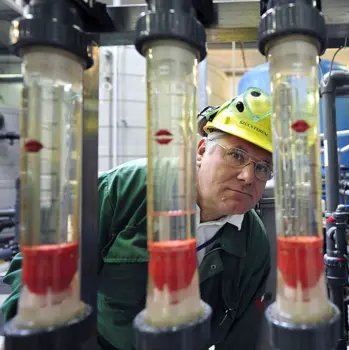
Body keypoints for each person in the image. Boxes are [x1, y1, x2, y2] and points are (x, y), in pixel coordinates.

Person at [1, 87, 273, 350]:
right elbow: (36, 270)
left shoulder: (253, 241)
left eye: (262, 168)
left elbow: (242, 335)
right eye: (236, 155)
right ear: (201, 151)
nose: (248, 177)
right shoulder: (129, 189)